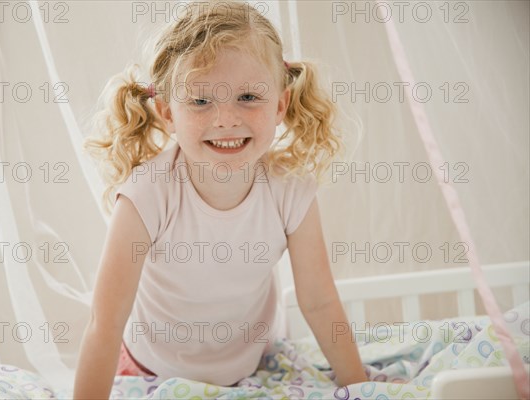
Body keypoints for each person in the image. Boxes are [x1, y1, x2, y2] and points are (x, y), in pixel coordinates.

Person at [73, 1, 367, 398]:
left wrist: (360, 387)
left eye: (247, 96)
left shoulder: (290, 190)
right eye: (200, 101)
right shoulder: (146, 196)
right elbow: (104, 325)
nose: (226, 119)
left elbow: (319, 302)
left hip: (250, 370)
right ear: (167, 114)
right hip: (153, 371)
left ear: (279, 104)